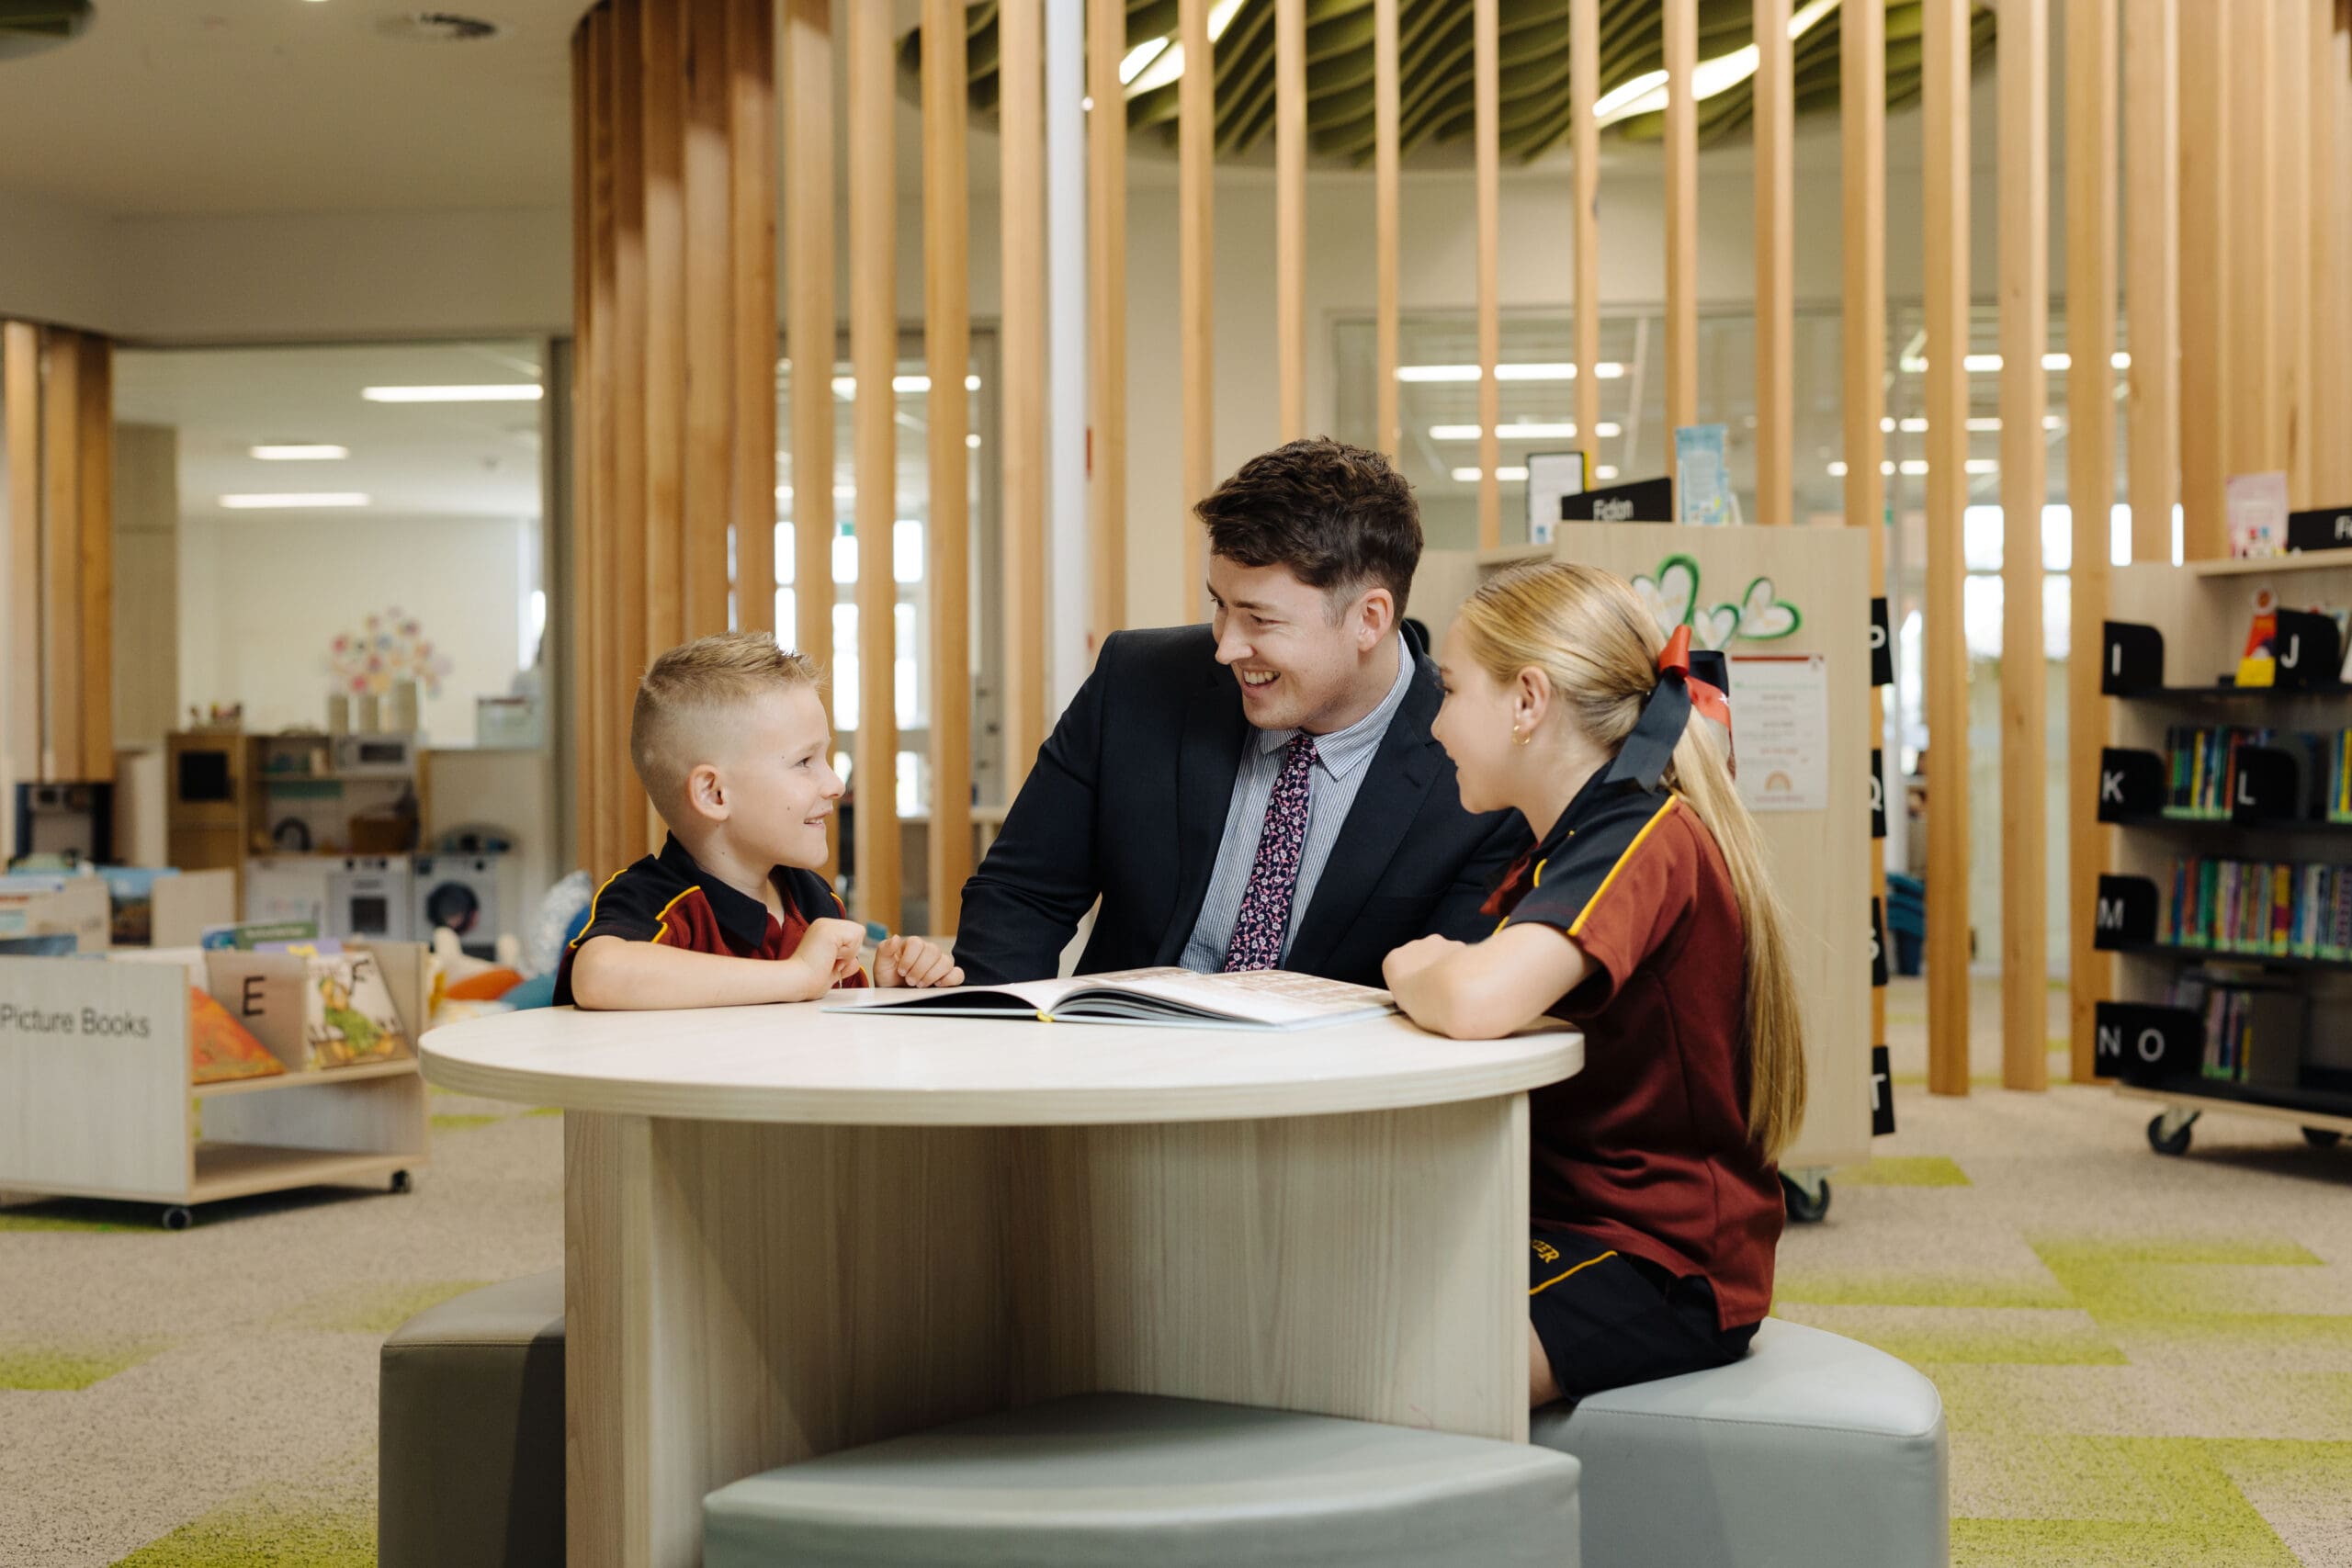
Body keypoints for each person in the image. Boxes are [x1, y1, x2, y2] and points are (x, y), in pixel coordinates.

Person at [1380, 560, 1806, 1408]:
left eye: (1452, 690)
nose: (1435, 725)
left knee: (1405, 1376)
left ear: (1528, 700)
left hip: (1660, 1263)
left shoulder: (1641, 835)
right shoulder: (1578, 837)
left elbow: (1474, 998)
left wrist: (1415, 961)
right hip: (1575, 1224)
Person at [954, 437, 1530, 988]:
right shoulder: (1135, 682)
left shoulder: (1477, 760)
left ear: (1369, 619)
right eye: (1220, 606)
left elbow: (1457, 983)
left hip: (1334, 1083)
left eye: (1260, 618)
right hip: (1126, 1065)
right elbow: (1022, 892)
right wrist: (994, 1038)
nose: (1227, 647)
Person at [558, 632, 963, 1009]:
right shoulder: (655, 902)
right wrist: (797, 975)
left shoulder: (814, 902)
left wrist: (888, 997)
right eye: (804, 762)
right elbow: (599, 974)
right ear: (714, 794)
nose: (836, 784)